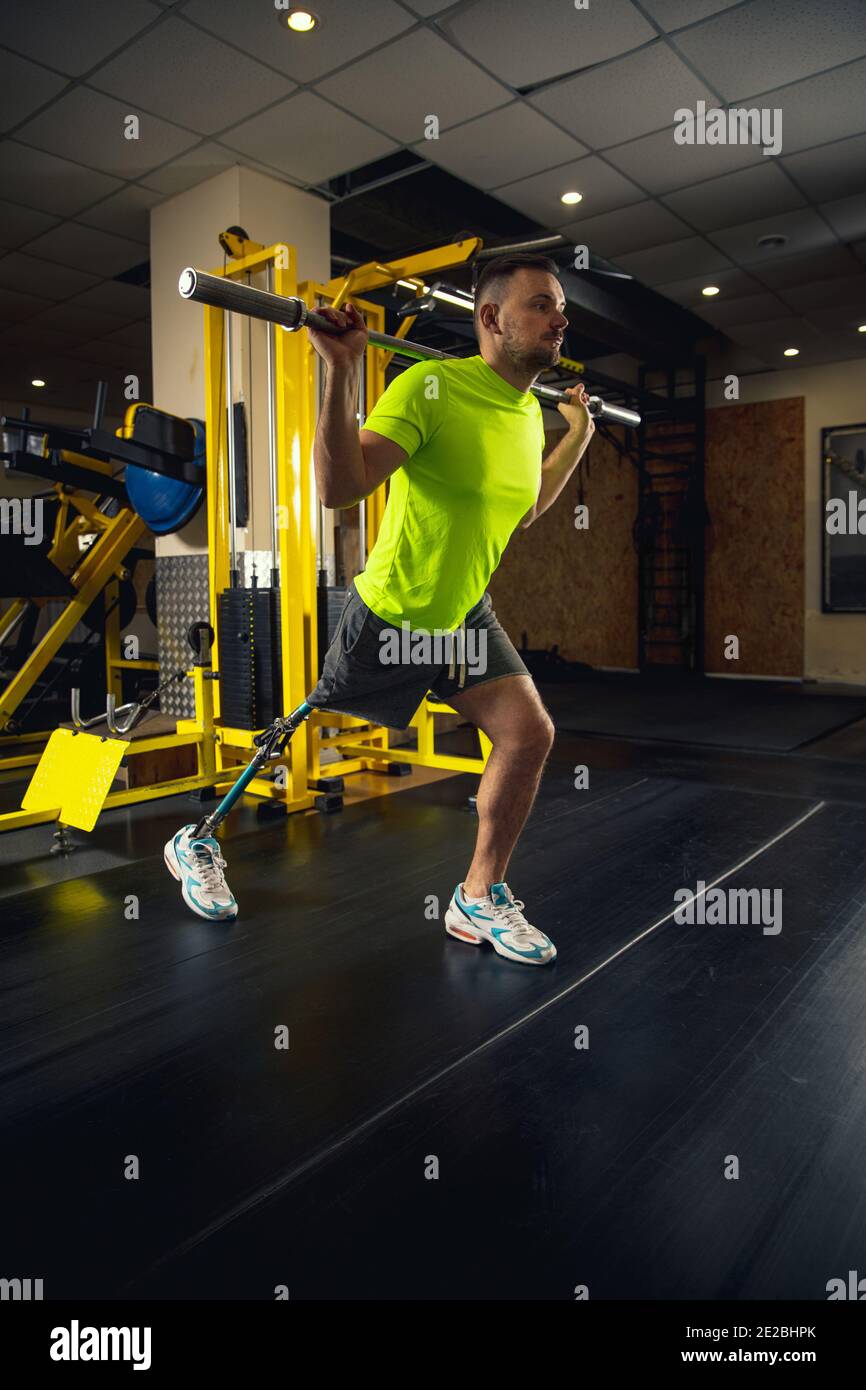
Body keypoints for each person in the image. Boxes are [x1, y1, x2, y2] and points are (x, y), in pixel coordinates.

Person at [166, 254, 594, 961]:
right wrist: (341, 375)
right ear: (491, 319)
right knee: (307, 716)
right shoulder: (430, 386)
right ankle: (198, 839)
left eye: (560, 307)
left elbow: (527, 508)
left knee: (529, 734)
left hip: (463, 618)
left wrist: (573, 434)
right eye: (543, 305)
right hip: (392, 613)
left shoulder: (526, 415)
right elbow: (339, 488)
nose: (561, 319)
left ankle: (478, 897)